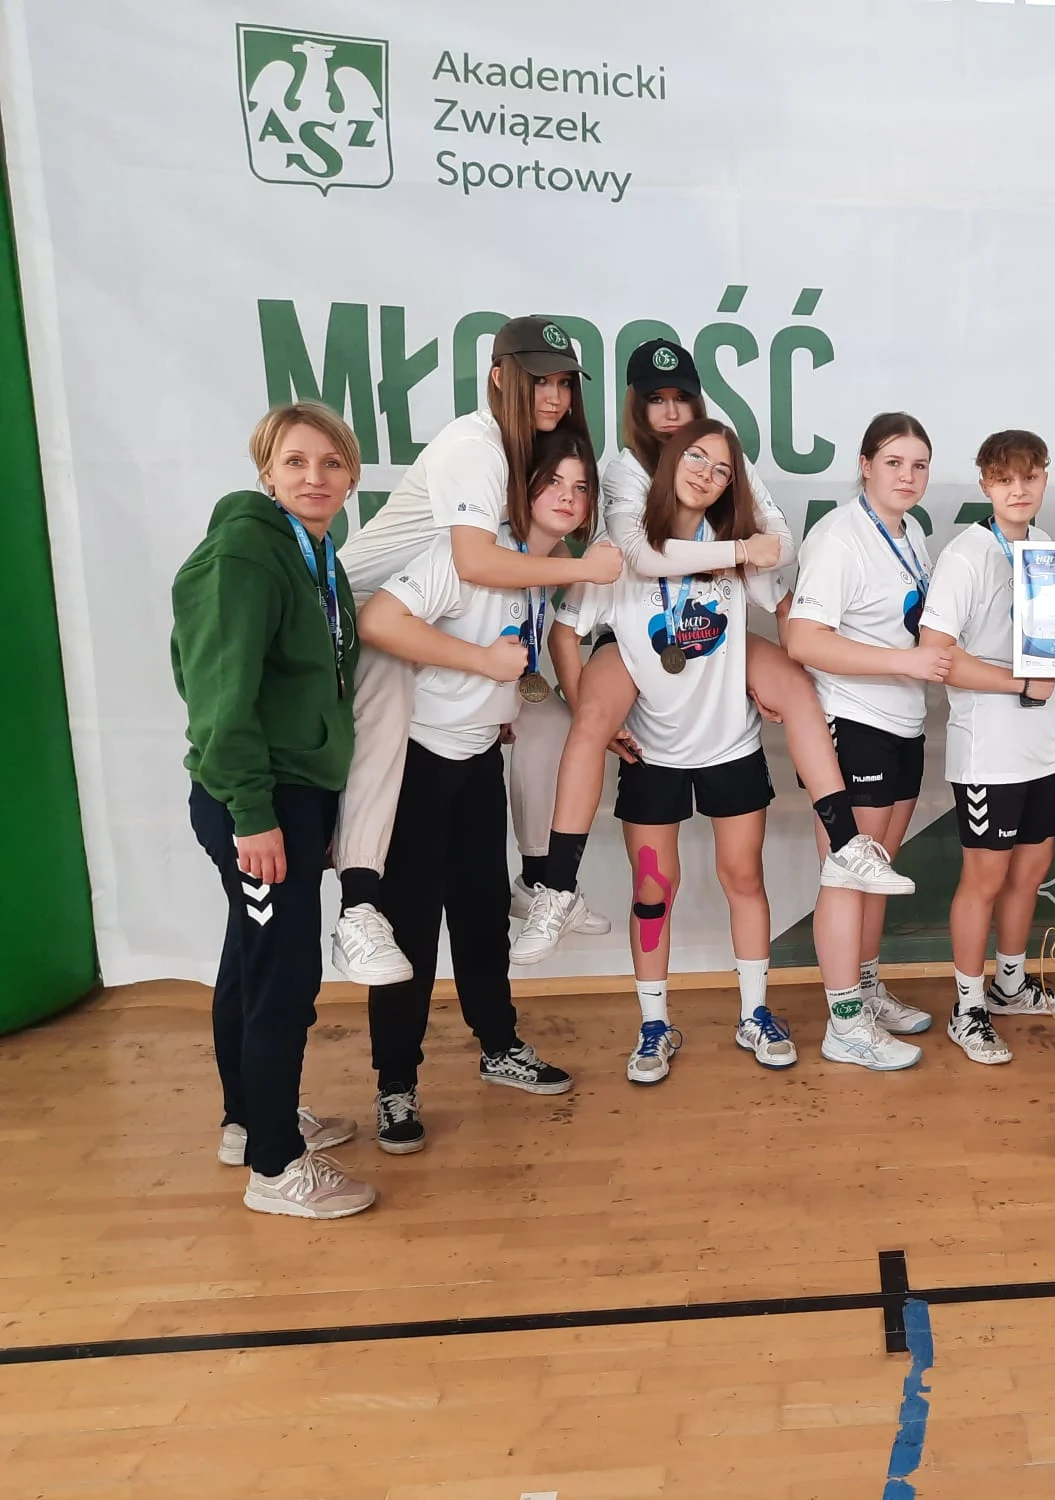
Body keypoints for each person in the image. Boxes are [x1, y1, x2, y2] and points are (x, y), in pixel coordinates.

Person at [513, 339, 911, 965]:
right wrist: (738, 551)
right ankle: (556, 886)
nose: (672, 413)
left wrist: (783, 646)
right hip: (639, 644)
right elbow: (641, 556)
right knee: (594, 728)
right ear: (636, 407)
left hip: (716, 647)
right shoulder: (625, 474)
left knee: (795, 691)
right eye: (656, 400)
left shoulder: (724, 476)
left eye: (682, 399)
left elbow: (778, 550)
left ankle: (845, 844)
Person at [328, 315, 624, 984]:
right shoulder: (476, 445)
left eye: (563, 383)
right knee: (387, 723)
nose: (553, 396)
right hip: (362, 612)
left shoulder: (526, 451)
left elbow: (522, 564)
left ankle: (539, 879)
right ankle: (357, 907)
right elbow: (475, 560)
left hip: (433, 613)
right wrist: (584, 569)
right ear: (498, 377)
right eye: (537, 381)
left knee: (546, 721)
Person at [353, 431, 590, 1150]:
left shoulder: (544, 573)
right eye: (553, 483)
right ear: (521, 491)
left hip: (480, 757)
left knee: (483, 918)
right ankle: (396, 1087)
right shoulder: (463, 556)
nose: (568, 497)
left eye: (581, 488)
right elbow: (378, 620)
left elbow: (519, 655)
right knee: (410, 933)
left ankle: (499, 1047)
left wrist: (502, 699)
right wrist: (484, 665)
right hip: (419, 764)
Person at [549, 420, 799, 1082]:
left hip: (731, 745)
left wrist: (773, 677)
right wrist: (586, 708)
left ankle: (754, 1014)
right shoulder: (620, 551)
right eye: (695, 458)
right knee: (653, 891)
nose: (706, 475)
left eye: (722, 469)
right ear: (666, 464)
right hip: (652, 753)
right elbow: (564, 631)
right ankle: (654, 1024)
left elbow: (783, 603)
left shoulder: (734, 545)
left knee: (744, 879)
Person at [172, 401, 374, 1219]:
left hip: (294, 793)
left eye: (331, 463)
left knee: (253, 961)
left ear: (351, 476)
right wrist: (254, 814)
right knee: (283, 975)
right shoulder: (246, 554)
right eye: (295, 462)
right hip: (258, 799)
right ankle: (275, 1166)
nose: (314, 477)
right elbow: (220, 700)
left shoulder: (314, 553)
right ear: (267, 472)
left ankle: (249, 1119)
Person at [784, 413, 955, 1069]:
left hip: (902, 722)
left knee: (876, 869)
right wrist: (904, 663)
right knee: (846, 873)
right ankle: (845, 1023)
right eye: (893, 462)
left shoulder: (912, 534)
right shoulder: (839, 537)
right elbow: (803, 641)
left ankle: (866, 989)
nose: (907, 476)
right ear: (864, 465)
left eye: (919, 465)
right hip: (853, 721)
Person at [917, 431, 1055, 1066]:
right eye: (1005, 479)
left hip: (1043, 745)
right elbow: (936, 653)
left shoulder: (1052, 553)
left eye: (1030, 477)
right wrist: (1018, 683)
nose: (1019, 489)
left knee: (1030, 870)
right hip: (988, 750)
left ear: (1044, 479)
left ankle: (1009, 983)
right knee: (984, 878)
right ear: (985, 484)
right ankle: (968, 1006)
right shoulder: (967, 555)